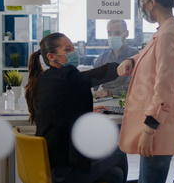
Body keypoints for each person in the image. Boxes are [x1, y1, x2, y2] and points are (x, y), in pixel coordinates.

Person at [24, 32, 128, 183]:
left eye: (73, 48)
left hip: (49, 167)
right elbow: (93, 76)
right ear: (52, 56)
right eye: (67, 49)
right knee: (119, 151)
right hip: (63, 171)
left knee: (115, 174)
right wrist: (121, 67)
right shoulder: (66, 75)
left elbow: (58, 109)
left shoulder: (47, 78)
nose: (74, 52)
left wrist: (84, 111)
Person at [117, 0, 174, 183]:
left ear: (151, 1)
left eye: (142, 1)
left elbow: (164, 90)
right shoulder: (164, 32)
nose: (142, 7)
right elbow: (151, 56)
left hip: (157, 130)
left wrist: (148, 129)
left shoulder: (168, 35)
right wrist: (131, 59)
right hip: (157, 128)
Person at [93, 19, 138, 98]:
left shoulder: (135, 56)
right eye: (109, 33)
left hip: (127, 100)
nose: (112, 36)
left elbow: (133, 85)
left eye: (117, 33)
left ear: (126, 33)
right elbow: (93, 84)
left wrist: (109, 93)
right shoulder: (102, 58)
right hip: (104, 100)